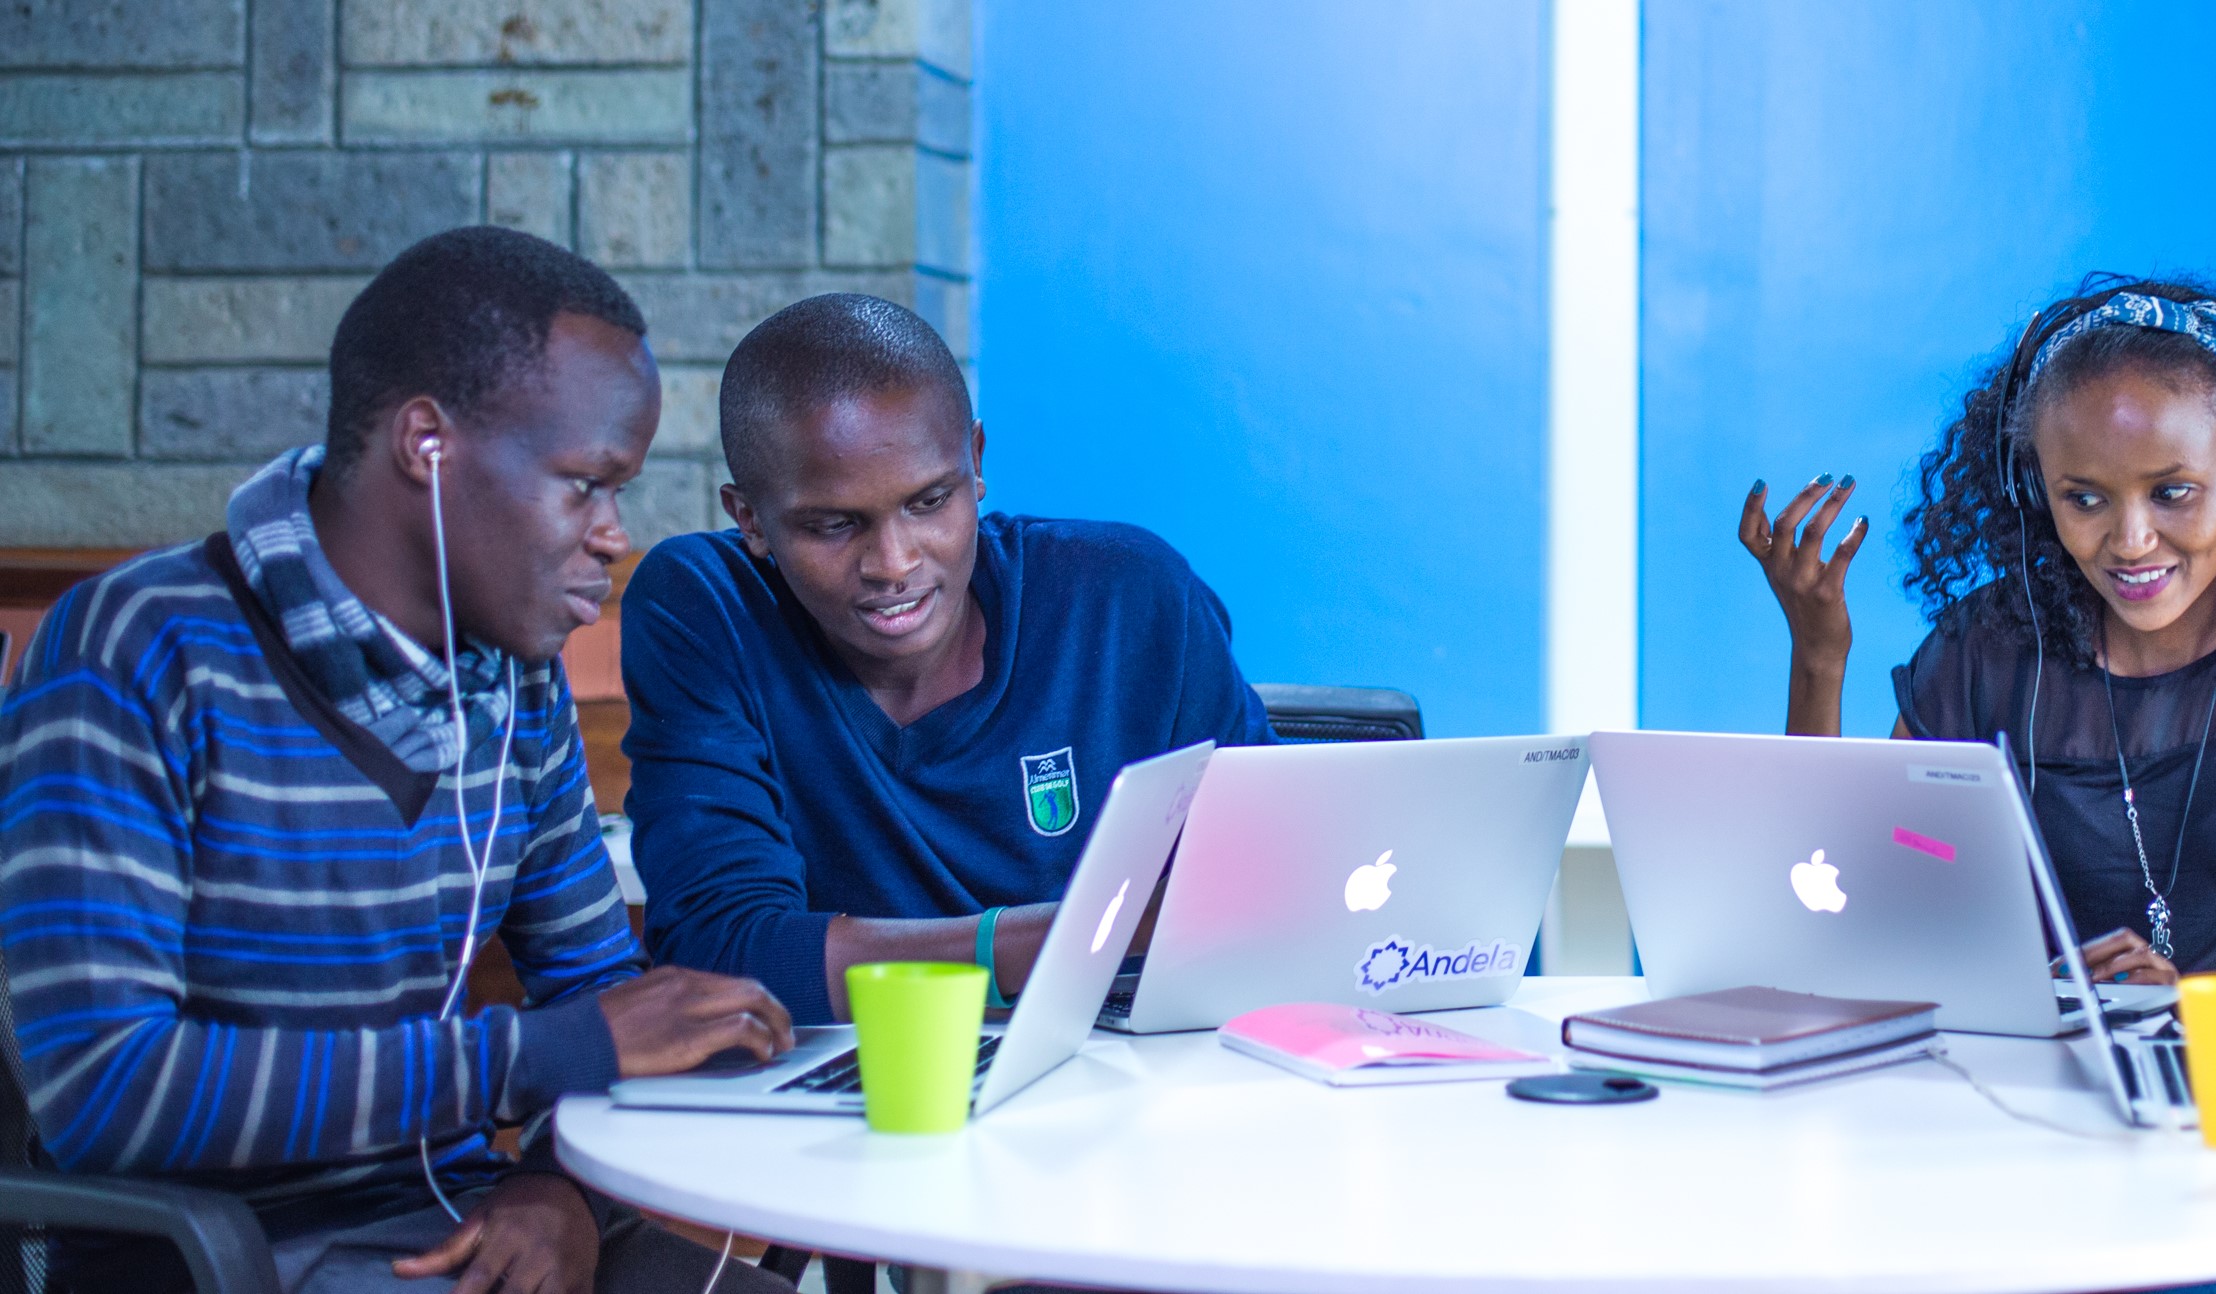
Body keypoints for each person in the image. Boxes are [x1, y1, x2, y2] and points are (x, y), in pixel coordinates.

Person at [0, 227, 798, 1292]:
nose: (613, 533)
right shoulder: (138, 649)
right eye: (585, 484)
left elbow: (604, 1001)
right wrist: (529, 1059)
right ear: (428, 444)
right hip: (228, 1256)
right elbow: (106, 1088)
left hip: (464, 1220)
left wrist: (557, 1185)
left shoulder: (513, 681)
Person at [1742, 278, 2216, 983]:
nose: (2132, 539)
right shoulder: (1984, 656)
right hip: (2030, 1084)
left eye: (2172, 492)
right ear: (2034, 490)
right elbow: (1842, 916)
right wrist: (1818, 658)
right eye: (2083, 498)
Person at [623, 294, 1276, 1026]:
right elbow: (721, 955)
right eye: (834, 525)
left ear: (976, 460)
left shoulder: (1131, 598)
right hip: (857, 1100)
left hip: (1131, 1084)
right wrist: (1086, 933)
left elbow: (1272, 882)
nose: (893, 563)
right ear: (750, 520)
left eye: (930, 502)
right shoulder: (708, 608)